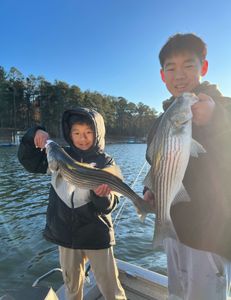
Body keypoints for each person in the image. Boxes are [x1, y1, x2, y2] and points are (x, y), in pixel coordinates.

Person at [143, 33, 231, 300]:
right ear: (162, 76)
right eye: (171, 68)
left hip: (210, 239)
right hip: (175, 231)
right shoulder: (161, 120)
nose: (179, 75)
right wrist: (151, 190)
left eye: (188, 66)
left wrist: (217, 118)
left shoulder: (224, 107)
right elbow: (155, 162)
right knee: (177, 295)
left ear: (203, 67)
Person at [18, 107, 127, 300]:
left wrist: (102, 196)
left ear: (97, 133)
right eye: (76, 133)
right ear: (69, 134)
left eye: (88, 133)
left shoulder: (106, 161)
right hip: (66, 236)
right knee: (72, 288)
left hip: (96, 235)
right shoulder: (59, 156)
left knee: (111, 288)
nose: (82, 138)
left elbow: (109, 205)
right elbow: (29, 161)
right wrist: (34, 133)